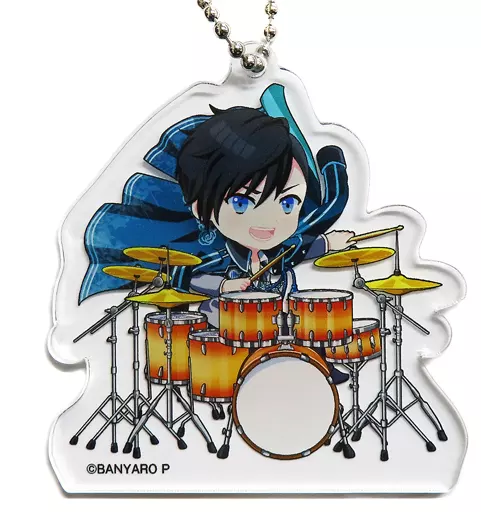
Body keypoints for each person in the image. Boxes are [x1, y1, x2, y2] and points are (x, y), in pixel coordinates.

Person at [79, 84, 353, 383]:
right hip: (224, 329)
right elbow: (190, 277)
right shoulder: (218, 254)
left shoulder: (279, 250)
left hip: (278, 325)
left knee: (300, 328)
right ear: (200, 208)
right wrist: (223, 286)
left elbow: (299, 248)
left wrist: (328, 243)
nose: (268, 219)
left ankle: (316, 366)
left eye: (288, 203)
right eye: (241, 202)